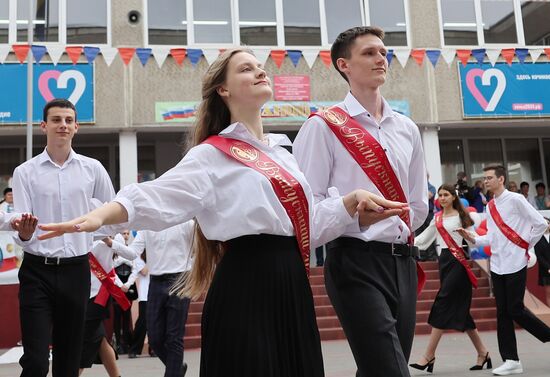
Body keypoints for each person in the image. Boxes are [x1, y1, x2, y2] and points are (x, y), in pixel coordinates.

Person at [37, 49, 408, 377]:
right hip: (246, 282)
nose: (260, 72)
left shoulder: (283, 154)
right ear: (224, 90)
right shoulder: (212, 154)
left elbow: (306, 223)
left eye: (260, 66)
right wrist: (102, 215)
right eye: (246, 69)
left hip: (291, 284)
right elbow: (159, 195)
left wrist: (350, 205)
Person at [293, 27, 428, 377]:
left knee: (376, 368)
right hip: (354, 262)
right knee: (391, 370)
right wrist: (358, 221)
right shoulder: (322, 127)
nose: (381, 58)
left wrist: (395, 228)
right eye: (369, 53)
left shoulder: (407, 128)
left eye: (383, 52)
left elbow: (417, 204)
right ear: (344, 65)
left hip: (402, 263)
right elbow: (305, 213)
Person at [12, 98, 116, 377]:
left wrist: (89, 231)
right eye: (57, 120)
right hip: (36, 272)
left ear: (76, 127)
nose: (63, 125)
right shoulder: (25, 172)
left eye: (68, 120)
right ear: (44, 126)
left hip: (76, 271)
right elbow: (22, 224)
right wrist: (24, 234)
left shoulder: (93, 169)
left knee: (69, 360)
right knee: (34, 360)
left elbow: (113, 214)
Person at [458, 165, 550, 376]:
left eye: (490, 177)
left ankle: (547, 335)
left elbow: (539, 223)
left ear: (501, 179)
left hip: (516, 262)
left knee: (515, 308)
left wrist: (525, 245)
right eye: (485, 178)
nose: (486, 181)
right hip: (497, 264)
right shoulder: (490, 206)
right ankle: (511, 360)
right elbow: (490, 237)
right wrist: (471, 238)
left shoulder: (516, 200)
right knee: (502, 312)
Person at [410, 184, 491, 373]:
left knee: (443, 302)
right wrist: (406, 243)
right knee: (463, 314)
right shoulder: (437, 218)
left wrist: (468, 235)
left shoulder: (463, 217)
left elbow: (475, 238)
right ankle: (483, 353)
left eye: (446, 194)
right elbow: (423, 239)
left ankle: (428, 355)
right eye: (440, 195)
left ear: (453, 197)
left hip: (460, 263)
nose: (443, 198)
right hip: (444, 262)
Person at [118, 221, 195, 376]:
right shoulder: (147, 224)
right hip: (156, 281)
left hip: (180, 279)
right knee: (154, 338)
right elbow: (133, 252)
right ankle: (177, 368)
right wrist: (111, 243)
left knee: (174, 338)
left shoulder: (187, 222)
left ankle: (173, 371)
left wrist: (191, 273)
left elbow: (197, 250)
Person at [80, 235, 139, 376]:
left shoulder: (111, 231)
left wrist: (109, 241)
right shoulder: (80, 227)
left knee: (86, 340)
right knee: (100, 339)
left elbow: (131, 255)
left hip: (99, 294)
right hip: (81, 291)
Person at [128, 250, 151, 358]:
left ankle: (153, 349)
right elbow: (144, 271)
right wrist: (153, 258)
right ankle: (134, 349)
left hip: (155, 293)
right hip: (144, 295)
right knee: (142, 322)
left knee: (155, 322)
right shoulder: (138, 258)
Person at [534, 218, 550, 307]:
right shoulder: (538, 238)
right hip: (546, 270)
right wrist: (548, 268)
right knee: (549, 293)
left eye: (548, 223)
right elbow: (539, 256)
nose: (546, 225)